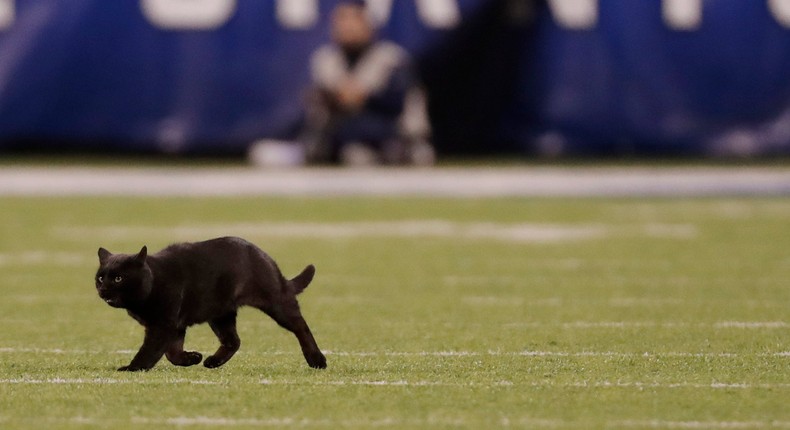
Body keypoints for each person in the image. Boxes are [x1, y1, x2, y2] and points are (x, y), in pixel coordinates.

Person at [302, 0, 434, 166]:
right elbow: (318, 100)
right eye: (342, 20)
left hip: (390, 130)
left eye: (354, 19)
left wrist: (363, 97)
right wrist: (338, 97)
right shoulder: (326, 59)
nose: (348, 26)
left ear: (369, 24)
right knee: (322, 137)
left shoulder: (391, 58)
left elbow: (396, 103)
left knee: (372, 129)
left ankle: (391, 152)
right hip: (345, 131)